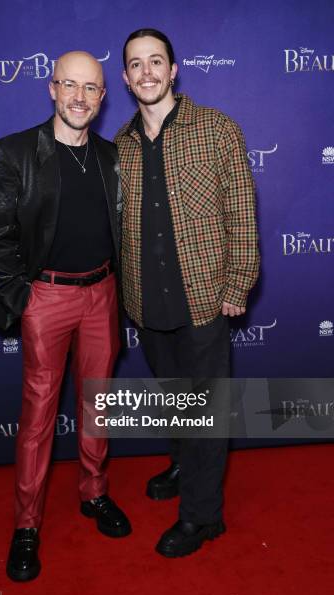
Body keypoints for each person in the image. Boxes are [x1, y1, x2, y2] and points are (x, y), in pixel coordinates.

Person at [0, 51, 131, 582]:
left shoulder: (113, 156)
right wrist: (23, 297)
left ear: (103, 96)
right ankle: (27, 525)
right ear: (51, 88)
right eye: (69, 85)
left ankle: (94, 494)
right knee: (38, 417)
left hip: (103, 294)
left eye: (91, 88)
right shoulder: (16, 151)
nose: (79, 97)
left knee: (99, 404)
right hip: (46, 298)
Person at [115, 29, 259, 558]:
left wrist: (238, 282)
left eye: (157, 62)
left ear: (174, 70)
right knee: (174, 399)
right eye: (136, 64)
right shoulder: (123, 145)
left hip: (204, 297)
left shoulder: (217, 129)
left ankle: (203, 517)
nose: (147, 72)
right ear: (125, 77)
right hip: (147, 302)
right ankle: (183, 463)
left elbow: (242, 214)